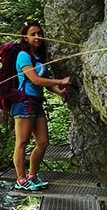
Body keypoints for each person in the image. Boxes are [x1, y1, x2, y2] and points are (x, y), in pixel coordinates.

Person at [11, 20, 71, 191]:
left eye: (39, 33)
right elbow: (35, 80)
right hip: (24, 103)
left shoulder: (37, 57)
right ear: (25, 37)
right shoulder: (23, 56)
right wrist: (61, 81)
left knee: (43, 142)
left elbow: (43, 82)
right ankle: (20, 180)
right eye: (33, 34)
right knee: (22, 142)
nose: (37, 37)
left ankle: (32, 175)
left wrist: (58, 91)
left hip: (36, 103)